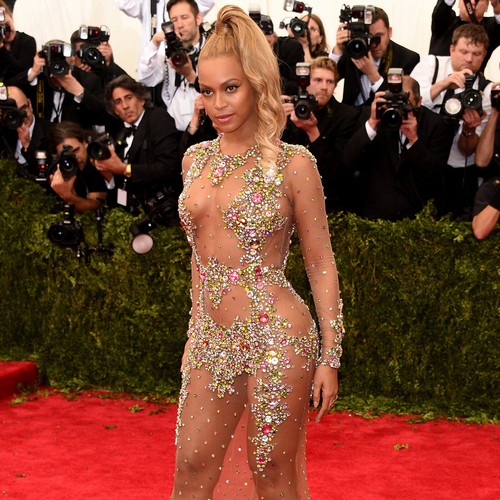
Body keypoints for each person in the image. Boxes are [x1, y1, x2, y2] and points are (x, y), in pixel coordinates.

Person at [173, 5, 344, 497]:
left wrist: (330, 355)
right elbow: (199, 258)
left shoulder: (294, 164)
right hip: (210, 339)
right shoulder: (193, 159)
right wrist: (194, 330)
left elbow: (321, 263)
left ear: (257, 85)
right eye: (207, 90)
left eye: (231, 88)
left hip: (278, 337)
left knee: (272, 471)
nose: (218, 103)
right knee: (191, 466)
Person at [342, 75, 455, 220]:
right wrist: (372, 123)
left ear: (419, 102)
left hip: (418, 218)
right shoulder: (369, 116)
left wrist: (414, 140)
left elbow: (435, 177)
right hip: (372, 216)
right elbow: (348, 159)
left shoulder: (436, 124)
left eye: (404, 102)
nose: (398, 108)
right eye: (392, 101)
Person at [411, 23, 493, 220]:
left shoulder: (485, 91)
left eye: (476, 54)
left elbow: (467, 151)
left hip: (457, 170)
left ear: (484, 56)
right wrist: (443, 84)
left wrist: (469, 130)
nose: (469, 59)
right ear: (451, 49)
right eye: (464, 52)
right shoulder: (431, 65)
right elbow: (411, 100)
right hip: (421, 157)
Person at [92, 75, 181, 219]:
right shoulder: (121, 134)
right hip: (133, 214)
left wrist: (125, 169)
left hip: (164, 210)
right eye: (118, 102)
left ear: (141, 99)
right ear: (115, 110)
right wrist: (108, 174)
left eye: (128, 98)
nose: (125, 106)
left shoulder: (158, 118)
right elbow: (121, 182)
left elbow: (169, 167)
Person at [281, 56, 361, 212]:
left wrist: (313, 132)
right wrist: (276, 120)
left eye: (329, 82)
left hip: (327, 203)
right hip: (288, 199)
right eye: (318, 80)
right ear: (306, 82)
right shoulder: (291, 108)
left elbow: (337, 171)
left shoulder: (347, 115)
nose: (324, 87)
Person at [136, 0, 210, 133]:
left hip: (205, 128)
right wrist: (154, 43)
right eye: (174, 20)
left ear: (198, 18)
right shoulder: (166, 53)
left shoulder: (211, 49)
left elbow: (215, 93)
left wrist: (190, 75)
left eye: (184, 17)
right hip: (172, 130)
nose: (179, 25)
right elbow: (145, 78)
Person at [9, 38, 110, 131]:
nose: (57, 66)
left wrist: (80, 92)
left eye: (63, 60)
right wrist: (32, 72)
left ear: (72, 61)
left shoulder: (87, 80)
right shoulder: (40, 78)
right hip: (42, 137)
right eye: (53, 61)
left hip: (74, 137)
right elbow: (7, 91)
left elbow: (105, 115)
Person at [330, 6, 420, 107]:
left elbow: (403, 102)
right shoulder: (354, 49)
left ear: (389, 32)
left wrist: (374, 76)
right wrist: (338, 50)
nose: (374, 44)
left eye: (378, 37)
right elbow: (327, 80)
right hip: (350, 114)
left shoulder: (407, 59)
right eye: (369, 37)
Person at [45, 121, 108, 213]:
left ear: (85, 143)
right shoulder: (58, 168)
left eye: (76, 150)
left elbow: (96, 206)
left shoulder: (97, 162)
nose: (75, 158)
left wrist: (67, 195)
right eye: (66, 154)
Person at [115, 0, 214, 55]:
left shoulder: (187, 3)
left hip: (184, 59)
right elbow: (124, 4)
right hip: (153, 65)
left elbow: (208, 2)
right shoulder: (147, 2)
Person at [429, 0, 500, 72]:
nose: (473, 2)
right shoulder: (446, 21)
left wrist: (498, 9)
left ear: (487, 7)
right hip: (437, 77)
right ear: (459, 3)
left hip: (472, 78)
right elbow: (442, 9)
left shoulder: (490, 28)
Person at [0, 85, 52, 178]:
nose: (21, 117)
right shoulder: (4, 132)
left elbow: (44, 174)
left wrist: (27, 145)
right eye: (14, 114)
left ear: (30, 104)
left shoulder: (51, 132)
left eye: (23, 110)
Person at [258, 14, 305, 95]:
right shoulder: (243, 53)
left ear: (274, 35)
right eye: (258, 37)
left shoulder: (291, 48)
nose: (263, 39)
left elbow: (296, 85)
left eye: (266, 34)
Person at [0, 0, 36, 83]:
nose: (7, 32)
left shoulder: (27, 41)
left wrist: (2, 48)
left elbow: (21, 72)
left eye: (7, 25)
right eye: (1, 29)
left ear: (12, 18)